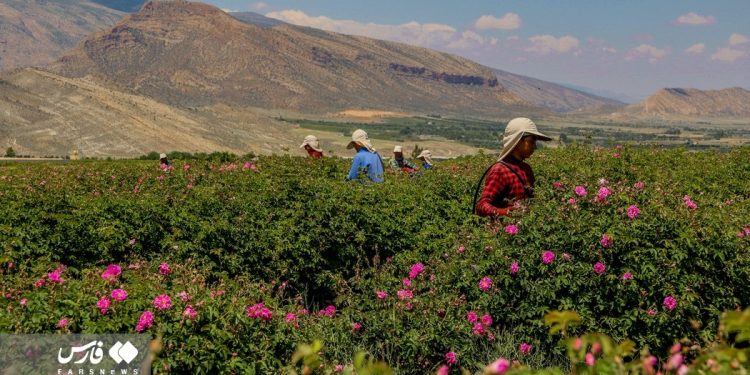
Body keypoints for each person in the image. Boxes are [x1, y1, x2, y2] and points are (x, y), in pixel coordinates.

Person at [474, 117, 551, 217]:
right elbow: (481, 206)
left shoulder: (526, 169)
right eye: (531, 141)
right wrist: (504, 212)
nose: (534, 146)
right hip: (504, 231)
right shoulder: (500, 170)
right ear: (518, 140)